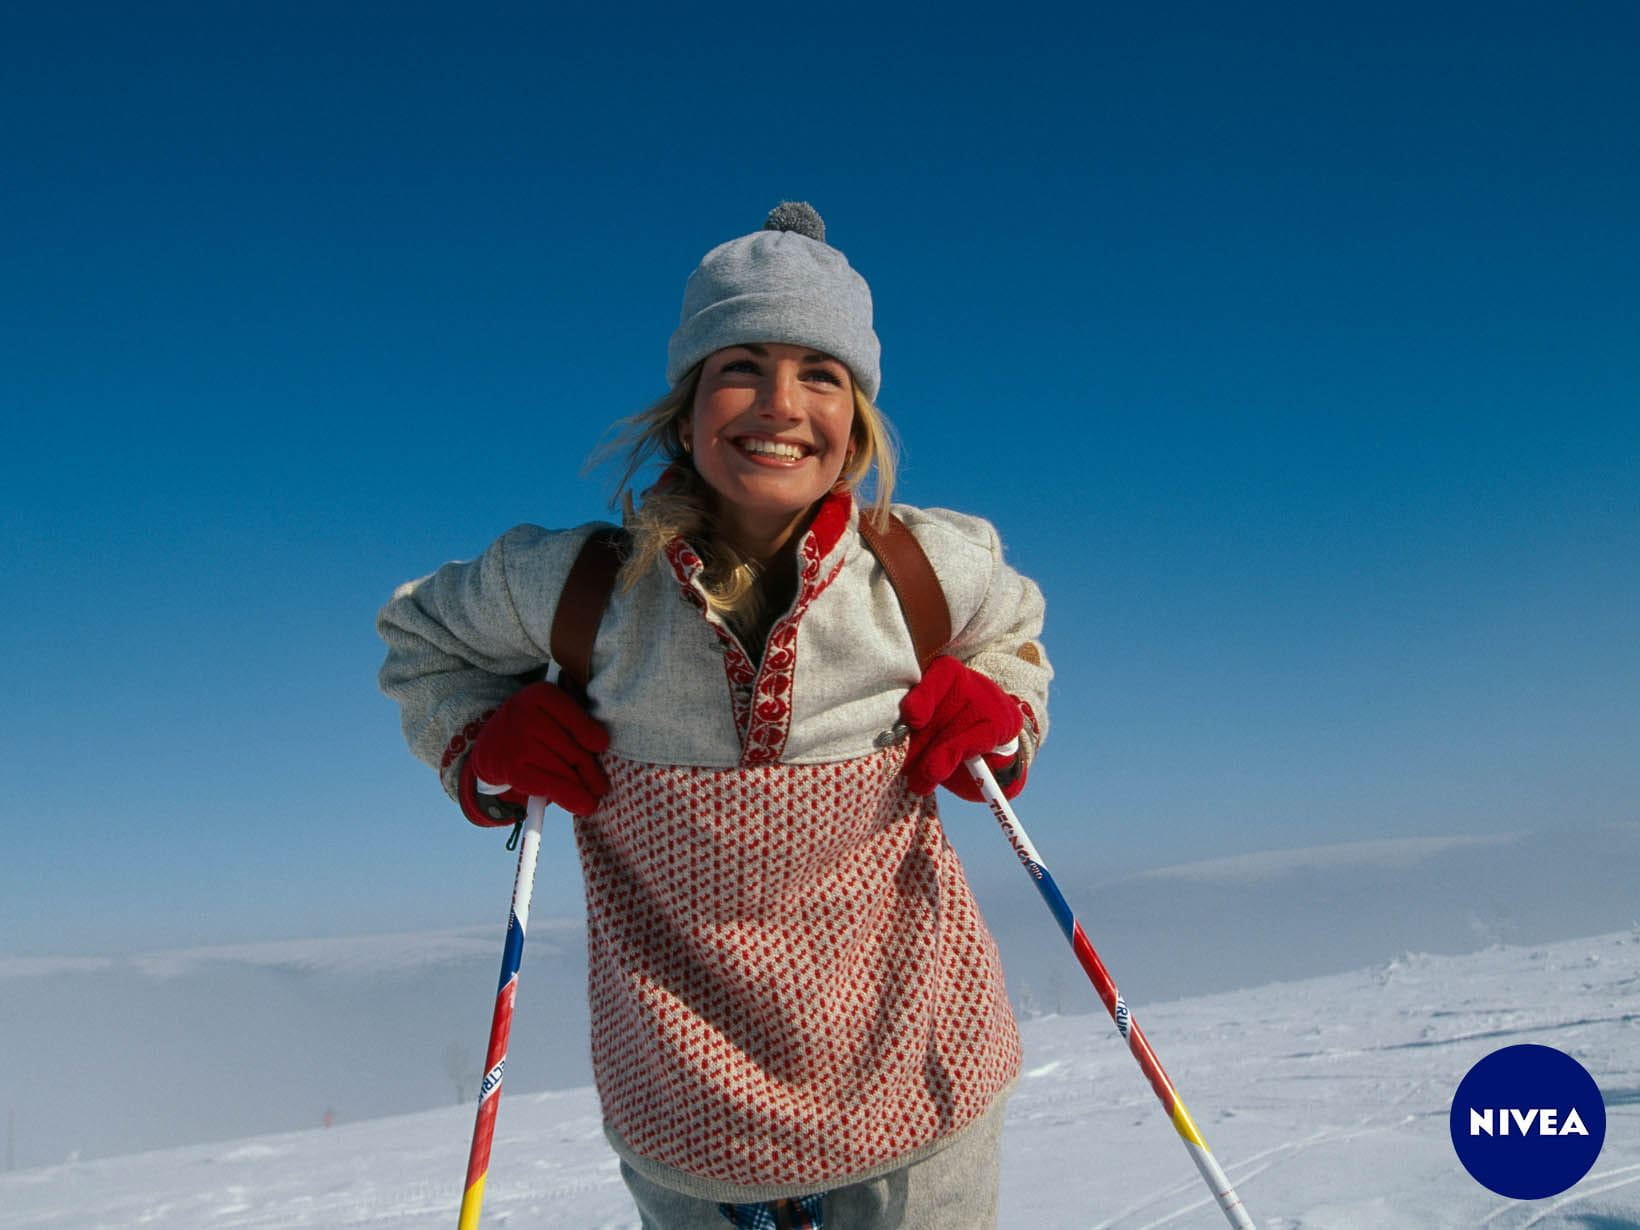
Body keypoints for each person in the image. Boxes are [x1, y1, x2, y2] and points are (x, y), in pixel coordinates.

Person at [377, 202, 1052, 1229]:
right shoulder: (576, 590)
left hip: (922, 1089)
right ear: (686, 407)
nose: (779, 403)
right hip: (687, 1114)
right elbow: (420, 639)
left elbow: (1012, 632)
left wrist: (999, 717)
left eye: (819, 374)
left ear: (858, 421)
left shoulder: (920, 573)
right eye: (740, 365)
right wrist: (481, 743)